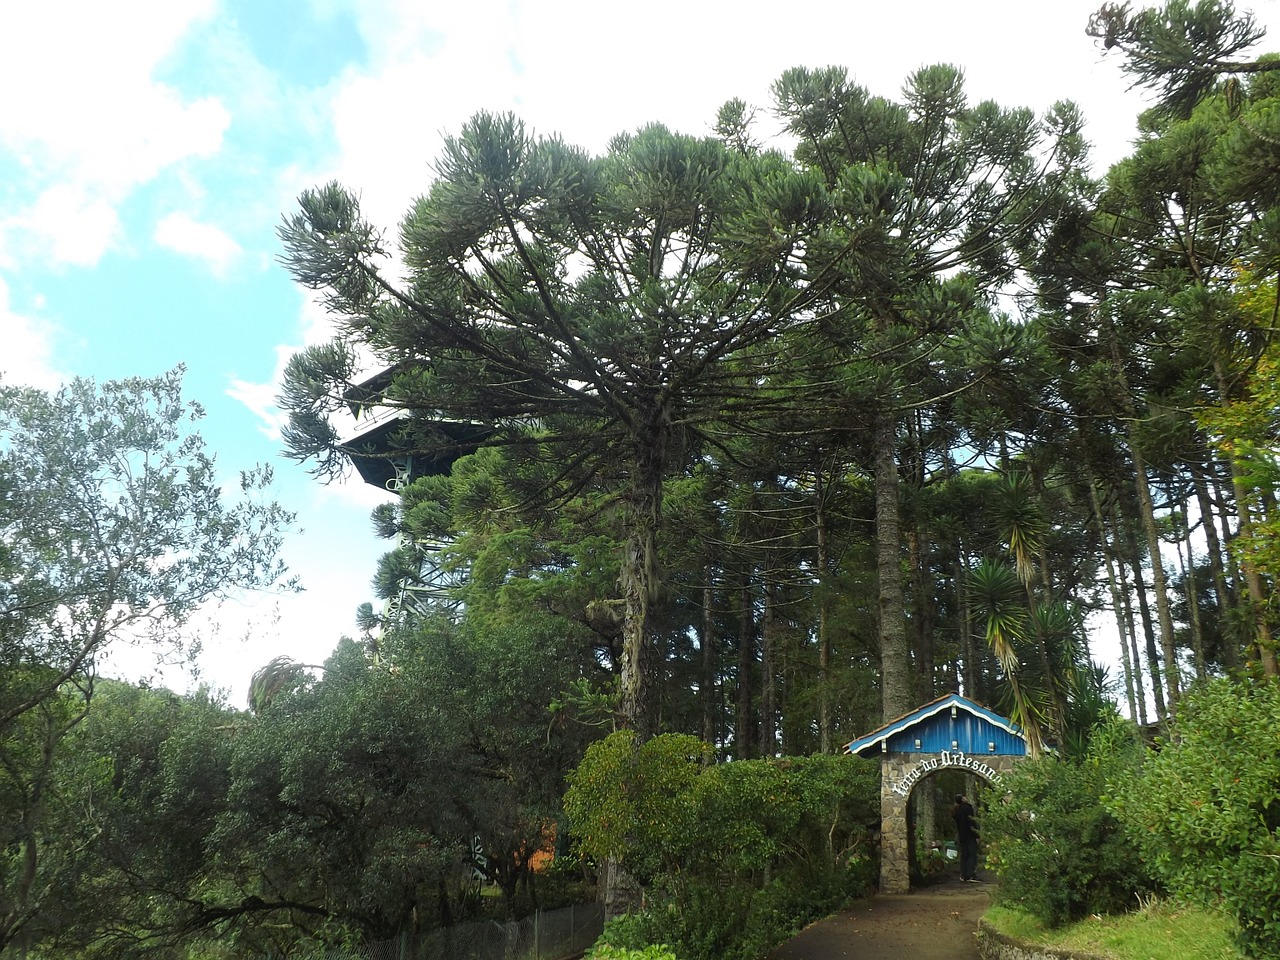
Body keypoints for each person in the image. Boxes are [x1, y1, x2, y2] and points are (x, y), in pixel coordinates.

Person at [952, 794, 980, 882]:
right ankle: (970, 875)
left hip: (962, 836)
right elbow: (971, 822)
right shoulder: (968, 808)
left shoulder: (957, 810)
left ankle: (963, 875)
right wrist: (976, 835)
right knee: (972, 854)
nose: (966, 797)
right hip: (970, 835)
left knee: (964, 855)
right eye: (964, 797)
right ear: (962, 799)